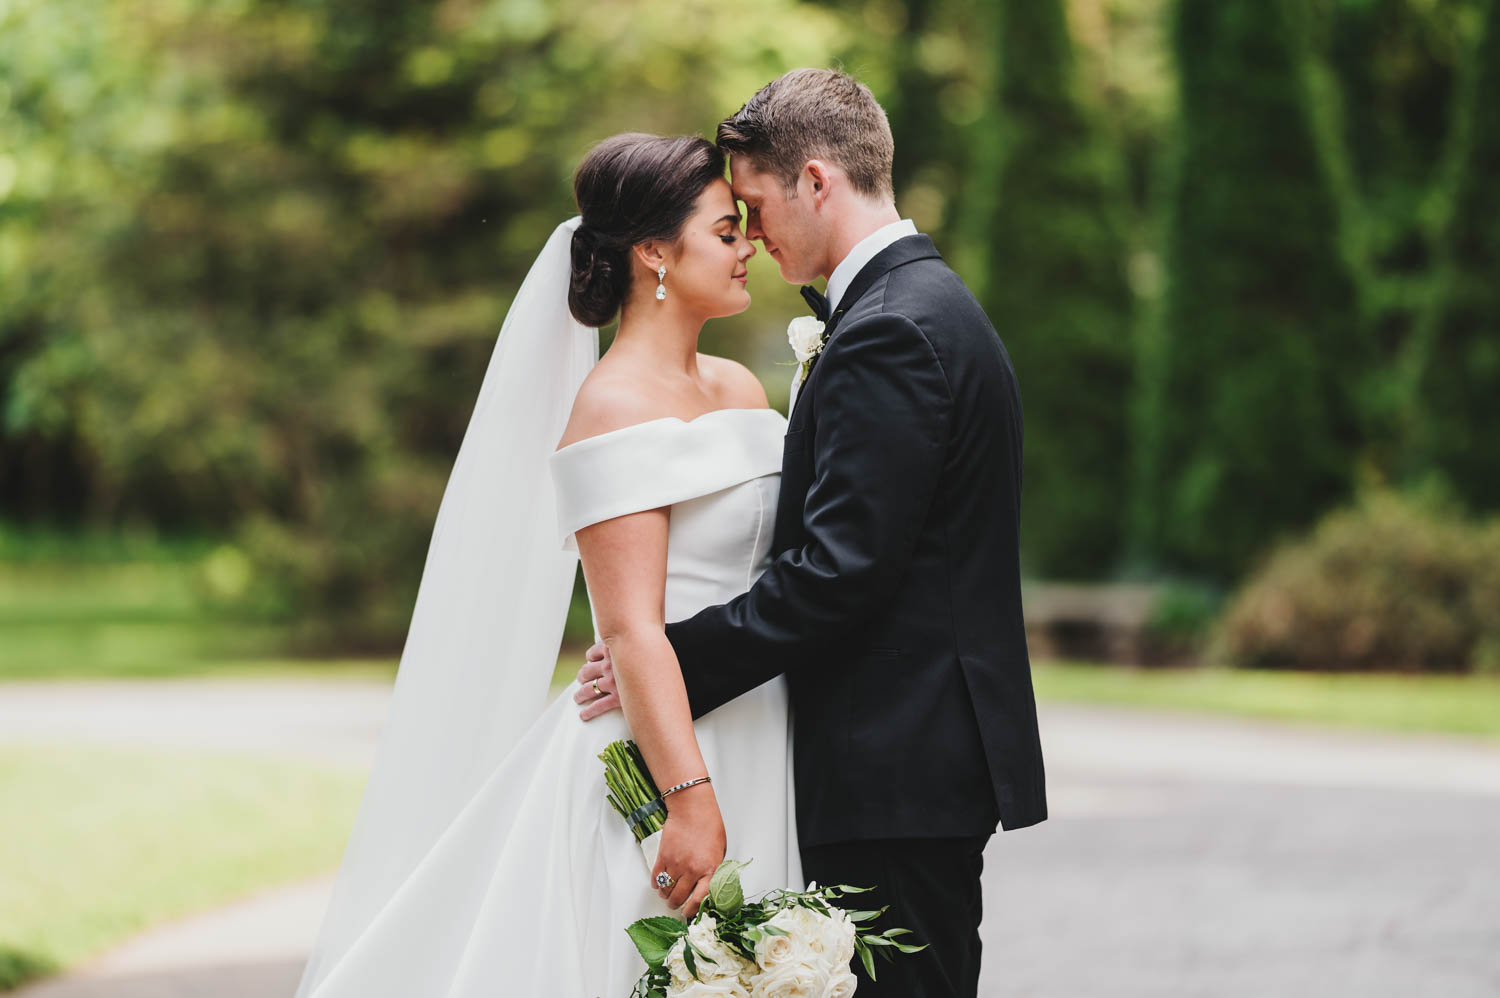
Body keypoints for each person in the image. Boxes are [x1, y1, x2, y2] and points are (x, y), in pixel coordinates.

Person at [292, 133, 802, 998]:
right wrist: (688, 798)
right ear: (654, 253)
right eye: (725, 230)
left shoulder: (740, 389)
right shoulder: (610, 407)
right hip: (672, 753)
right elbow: (632, 627)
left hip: (761, 722)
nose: (748, 245)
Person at [575, 68, 1047, 998]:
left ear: (818, 182)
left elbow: (840, 571)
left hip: (896, 769)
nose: (750, 234)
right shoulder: (917, 307)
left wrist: (669, 660)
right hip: (887, 765)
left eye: (752, 204)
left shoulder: (892, 330)